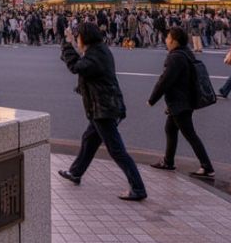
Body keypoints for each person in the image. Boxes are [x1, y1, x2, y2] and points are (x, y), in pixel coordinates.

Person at [57, 22, 147, 202]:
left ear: (85, 37)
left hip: (104, 109)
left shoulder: (95, 55)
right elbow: (84, 68)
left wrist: (67, 44)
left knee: (116, 150)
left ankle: (138, 188)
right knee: (89, 140)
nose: (77, 40)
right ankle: (76, 172)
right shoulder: (98, 50)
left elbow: (76, 67)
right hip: (103, 106)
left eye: (78, 37)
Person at [148, 27, 215, 178]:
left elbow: (164, 81)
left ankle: (207, 167)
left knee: (190, 134)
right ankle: (168, 161)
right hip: (187, 98)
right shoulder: (186, 53)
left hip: (180, 101)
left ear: (174, 41)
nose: (166, 40)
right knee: (170, 129)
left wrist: (152, 99)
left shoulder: (175, 57)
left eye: (168, 37)